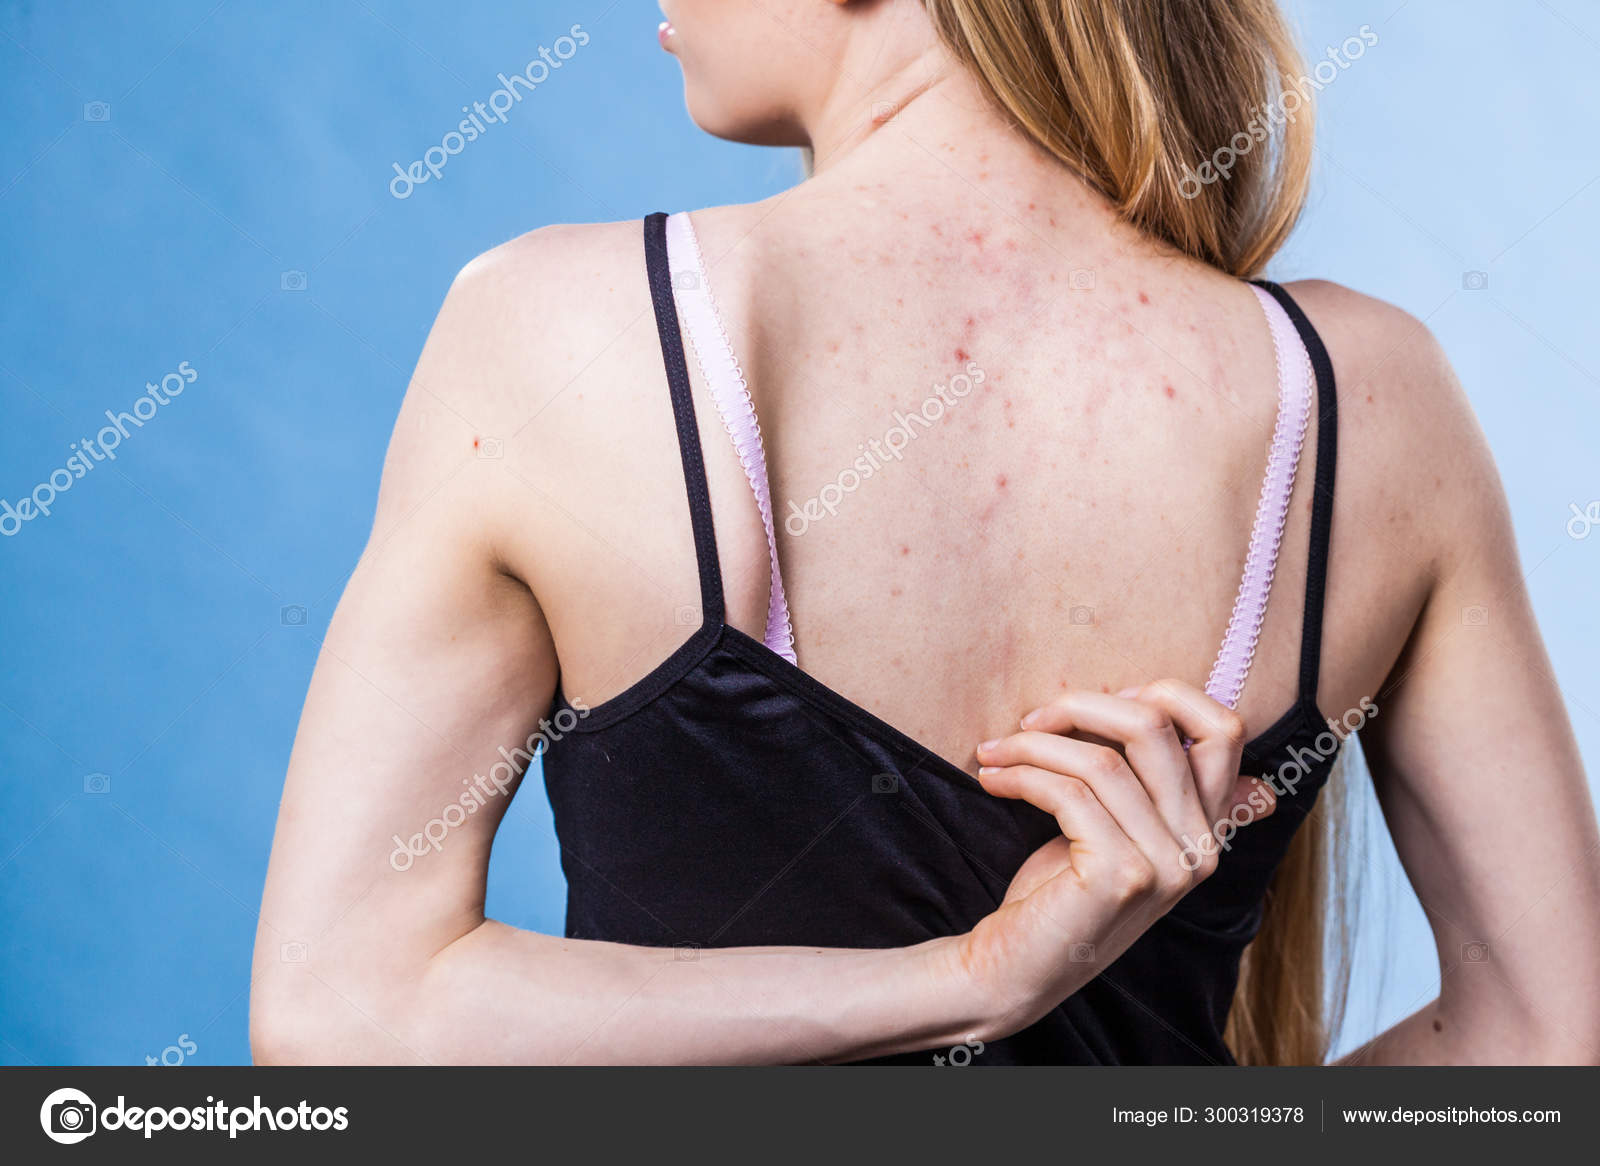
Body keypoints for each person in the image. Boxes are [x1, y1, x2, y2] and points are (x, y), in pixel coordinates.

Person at [251, 0, 1600, 1065]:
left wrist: (955, 987)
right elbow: (1550, 1038)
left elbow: (344, 1014)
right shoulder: (1364, 400)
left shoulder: (561, 331)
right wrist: (990, 986)